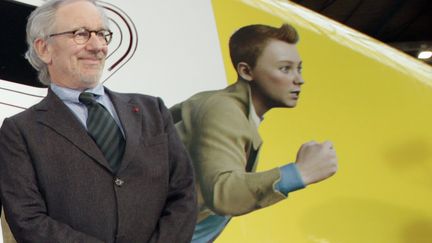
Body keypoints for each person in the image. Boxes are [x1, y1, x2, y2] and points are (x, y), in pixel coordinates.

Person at [0, 0, 196, 242]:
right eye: (80, 34)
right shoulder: (20, 131)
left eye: (102, 34)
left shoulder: (152, 110)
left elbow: (183, 194)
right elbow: (28, 220)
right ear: (44, 49)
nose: (97, 46)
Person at [170, 23, 338, 242]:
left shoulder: (231, 110)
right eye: (285, 68)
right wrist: (300, 173)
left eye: (299, 68)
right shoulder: (223, 110)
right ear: (246, 71)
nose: (299, 79)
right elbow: (224, 194)